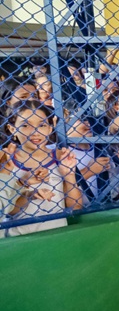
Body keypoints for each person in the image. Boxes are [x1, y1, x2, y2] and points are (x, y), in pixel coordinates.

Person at [3, 101, 83, 237]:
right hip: (19, 238)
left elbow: (75, 206)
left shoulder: (60, 157)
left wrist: (69, 175)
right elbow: (8, 210)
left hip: (58, 234)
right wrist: (29, 195)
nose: (35, 132)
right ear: (12, 129)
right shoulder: (7, 161)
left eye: (42, 125)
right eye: (25, 125)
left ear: (50, 128)